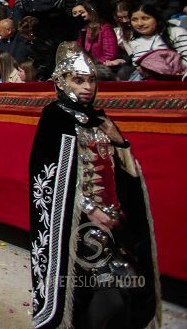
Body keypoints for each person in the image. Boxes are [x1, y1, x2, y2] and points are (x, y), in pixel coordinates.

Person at [29, 44, 159, 328]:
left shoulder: (100, 120)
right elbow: (54, 182)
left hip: (113, 223)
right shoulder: (56, 118)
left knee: (128, 290)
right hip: (78, 229)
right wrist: (89, 210)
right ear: (61, 82)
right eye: (79, 80)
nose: (88, 87)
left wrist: (120, 141)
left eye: (91, 80)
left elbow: (126, 174)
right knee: (97, 299)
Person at [124, 3, 187, 80]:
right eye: (134, 20)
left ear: (157, 19)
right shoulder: (134, 41)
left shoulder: (176, 32)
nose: (139, 24)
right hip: (149, 82)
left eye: (145, 18)